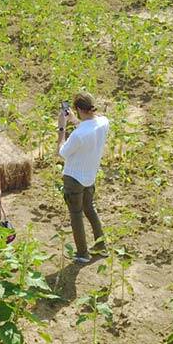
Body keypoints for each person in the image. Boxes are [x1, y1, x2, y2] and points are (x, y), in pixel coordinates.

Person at [56, 92, 109, 264]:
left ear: (78, 109)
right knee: (90, 209)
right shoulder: (103, 122)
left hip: (74, 178)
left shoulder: (78, 135)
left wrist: (62, 128)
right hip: (90, 175)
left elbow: (61, 153)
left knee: (76, 214)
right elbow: (88, 127)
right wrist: (74, 120)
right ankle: (101, 247)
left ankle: (82, 253)